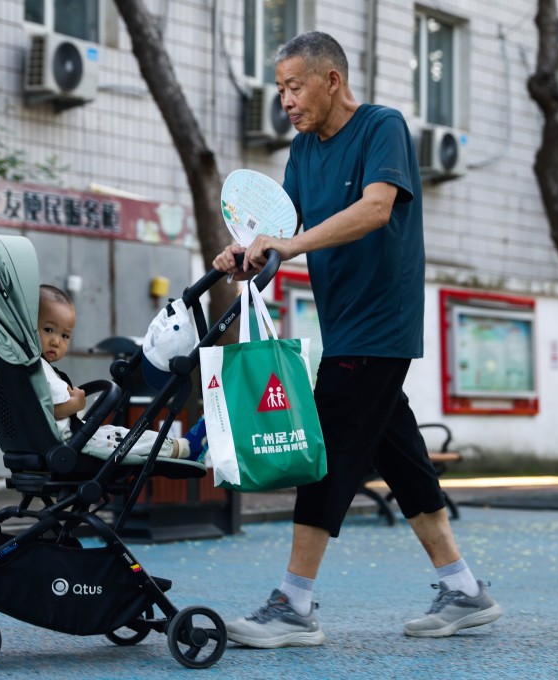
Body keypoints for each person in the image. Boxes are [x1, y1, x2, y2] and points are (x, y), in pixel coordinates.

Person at [213, 31, 501, 648]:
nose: (285, 99)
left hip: (380, 321)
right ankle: (464, 588)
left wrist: (286, 243)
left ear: (331, 81)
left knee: (330, 451)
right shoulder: (301, 151)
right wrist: (247, 252)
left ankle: (293, 604)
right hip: (344, 325)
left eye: (294, 85)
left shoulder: (381, 127)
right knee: (398, 454)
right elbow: (279, 231)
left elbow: (375, 209)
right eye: (280, 87)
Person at [37, 284, 207, 461]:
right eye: (49, 330)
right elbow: (51, 410)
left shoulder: (35, 368)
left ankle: (181, 446)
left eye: (65, 336)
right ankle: (186, 449)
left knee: (116, 433)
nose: (56, 342)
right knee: (134, 440)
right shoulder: (41, 369)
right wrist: (78, 403)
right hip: (74, 444)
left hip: (70, 439)